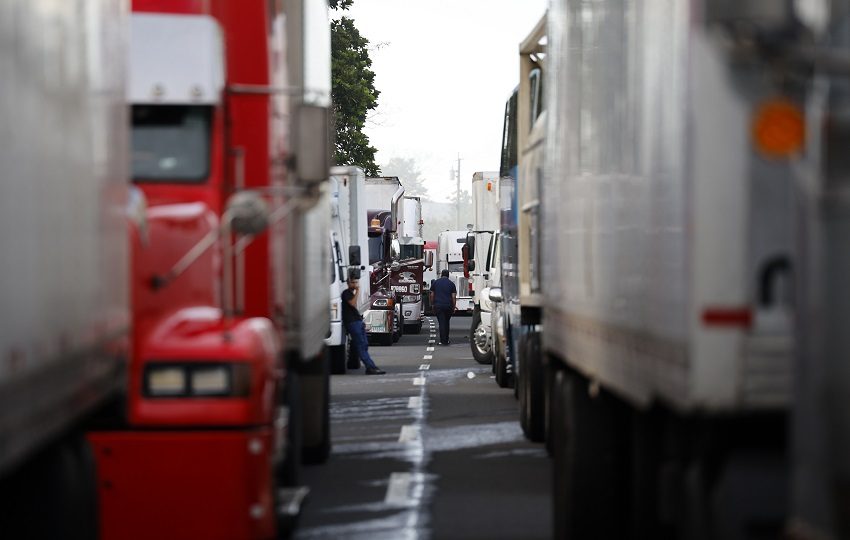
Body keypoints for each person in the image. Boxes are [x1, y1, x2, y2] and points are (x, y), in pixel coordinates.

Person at [341, 278, 386, 375]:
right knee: (361, 345)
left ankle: (370, 366)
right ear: (348, 283)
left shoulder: (351, 293)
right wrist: (357, 291)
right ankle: (371, 367)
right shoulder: (346, 293)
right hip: (352, 323)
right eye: (353, 282)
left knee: (364, 344)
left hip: (357, 322)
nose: (355, 284)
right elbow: (352, 304)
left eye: (356, 282)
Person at [430, 269, 456, 345]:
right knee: (447, 322)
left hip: (438, 305)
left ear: (441, 274)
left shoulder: (435, 283)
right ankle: (446, 340)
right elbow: (453, 297)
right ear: (448, 275)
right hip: (448, 306)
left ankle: (442, 340)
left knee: (441, 323)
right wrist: (454, 307)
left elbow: (432, 295)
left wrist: (432, 304)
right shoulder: (451, 284)